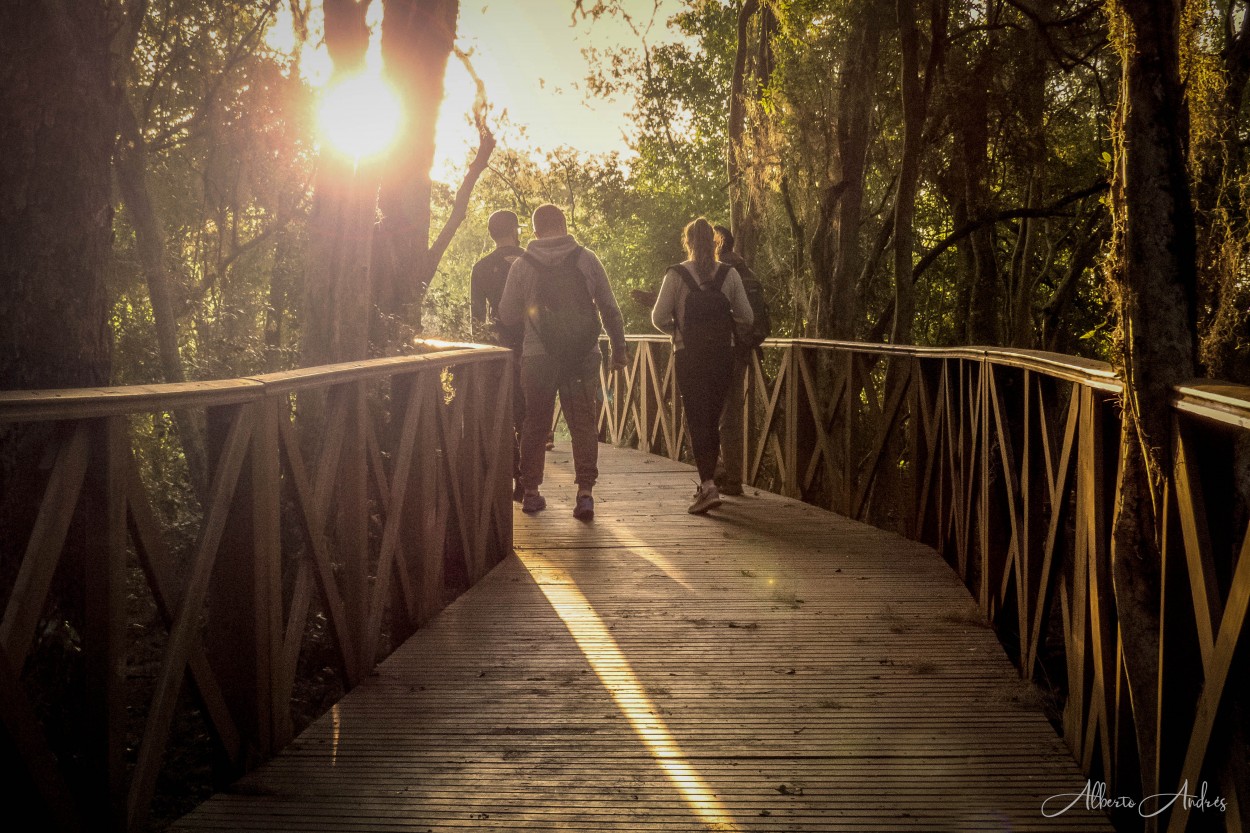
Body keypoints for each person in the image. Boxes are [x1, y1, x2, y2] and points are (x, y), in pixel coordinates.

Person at [499, 204, 627, 520]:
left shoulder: (522, 266)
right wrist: (619, 350)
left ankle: (530, 493)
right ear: (564, 225)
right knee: (583, 423)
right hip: (582, 355)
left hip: (538, 356)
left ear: (535, 231)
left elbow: (507, 315)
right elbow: (610, 309)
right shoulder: (587, 258)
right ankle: (585, 494)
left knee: (535, 423)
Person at [651, 218, 753, 514]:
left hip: (688, 356)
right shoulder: (729, 274)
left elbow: (658, 317)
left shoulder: (677, 274)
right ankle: (711, 484)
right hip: (723, 356)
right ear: (715, 242)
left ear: (688, 242)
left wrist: (677, 330)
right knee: (714, 417)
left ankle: (708, 484)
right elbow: (747, 316)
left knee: (698, 420)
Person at [471, 210, 527, 501]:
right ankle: (526, 482)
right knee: (527, 412)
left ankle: (503, 476)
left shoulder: (481, 268)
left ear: (492, 234)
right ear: (516, 230)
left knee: (501, 412)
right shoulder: (532, 261)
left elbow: (476, 319)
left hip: (496, 347)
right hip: (531, 345)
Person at [712, 225, 767, 496]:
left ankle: (715, 470)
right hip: (742, 352)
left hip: (718, 350)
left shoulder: (719, 274)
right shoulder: (750, 274)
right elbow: (755, 318)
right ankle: (733, 479)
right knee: (731, 414)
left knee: (702, 411)